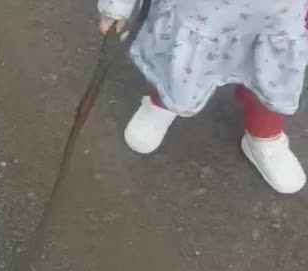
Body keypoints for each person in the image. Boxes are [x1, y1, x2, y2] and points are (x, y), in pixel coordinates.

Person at [97, 0, 308, 194]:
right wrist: (118, 6)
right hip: (199, 14)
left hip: (280, 18)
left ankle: (265, 133)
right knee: (180, 66)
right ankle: (163, 102)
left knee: (270, 78)